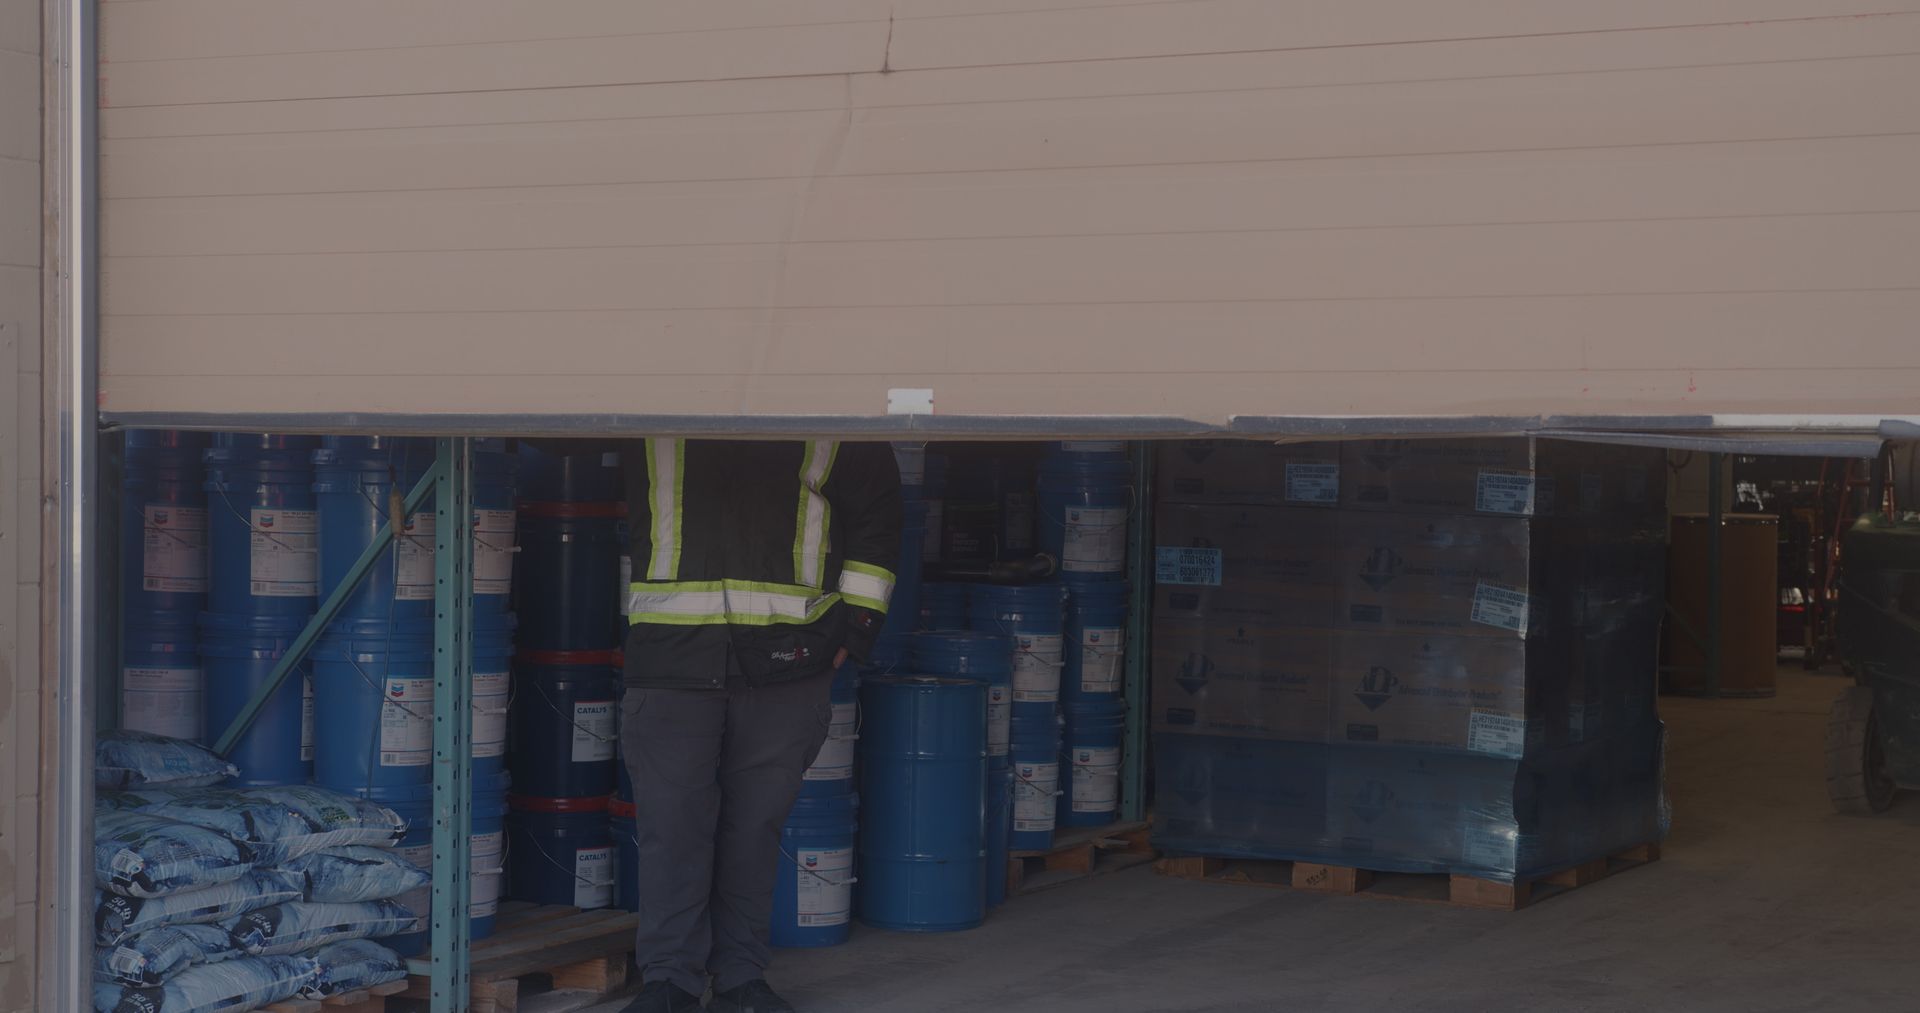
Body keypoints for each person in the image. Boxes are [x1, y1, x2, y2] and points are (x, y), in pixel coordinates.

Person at [549, 439, 901, 1013]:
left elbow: (877, 519)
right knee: (673, 829)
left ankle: (740, 979)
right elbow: (550, 422)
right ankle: (671, 981)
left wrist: (854, 632)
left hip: (789, 658)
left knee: (753, 828)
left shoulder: (829, 403)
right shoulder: (651, 384)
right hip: (672, 658)